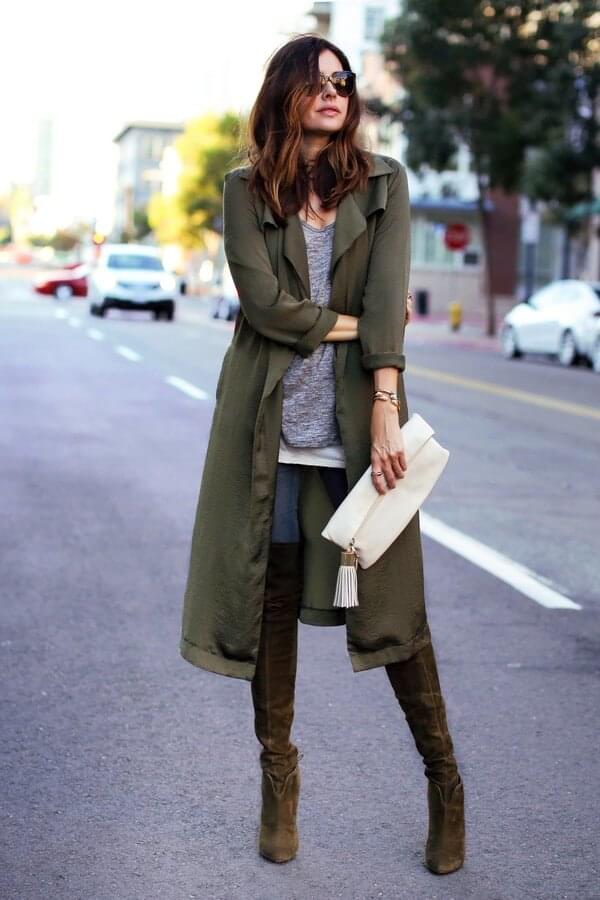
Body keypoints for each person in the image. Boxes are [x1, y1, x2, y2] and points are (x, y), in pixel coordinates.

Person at [180, 34, 465, 875]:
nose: (336, 92)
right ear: (287, 94)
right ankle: (279, 785)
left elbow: (390, 302)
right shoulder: (244, 190)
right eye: (320, 81)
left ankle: (446, 785)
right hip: (266, 432)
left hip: (355, 428)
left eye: (345, 82)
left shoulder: (384, 184)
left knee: (394, 614)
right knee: (268, 604)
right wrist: (360, 327)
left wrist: (383, 401)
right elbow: (265, 307)